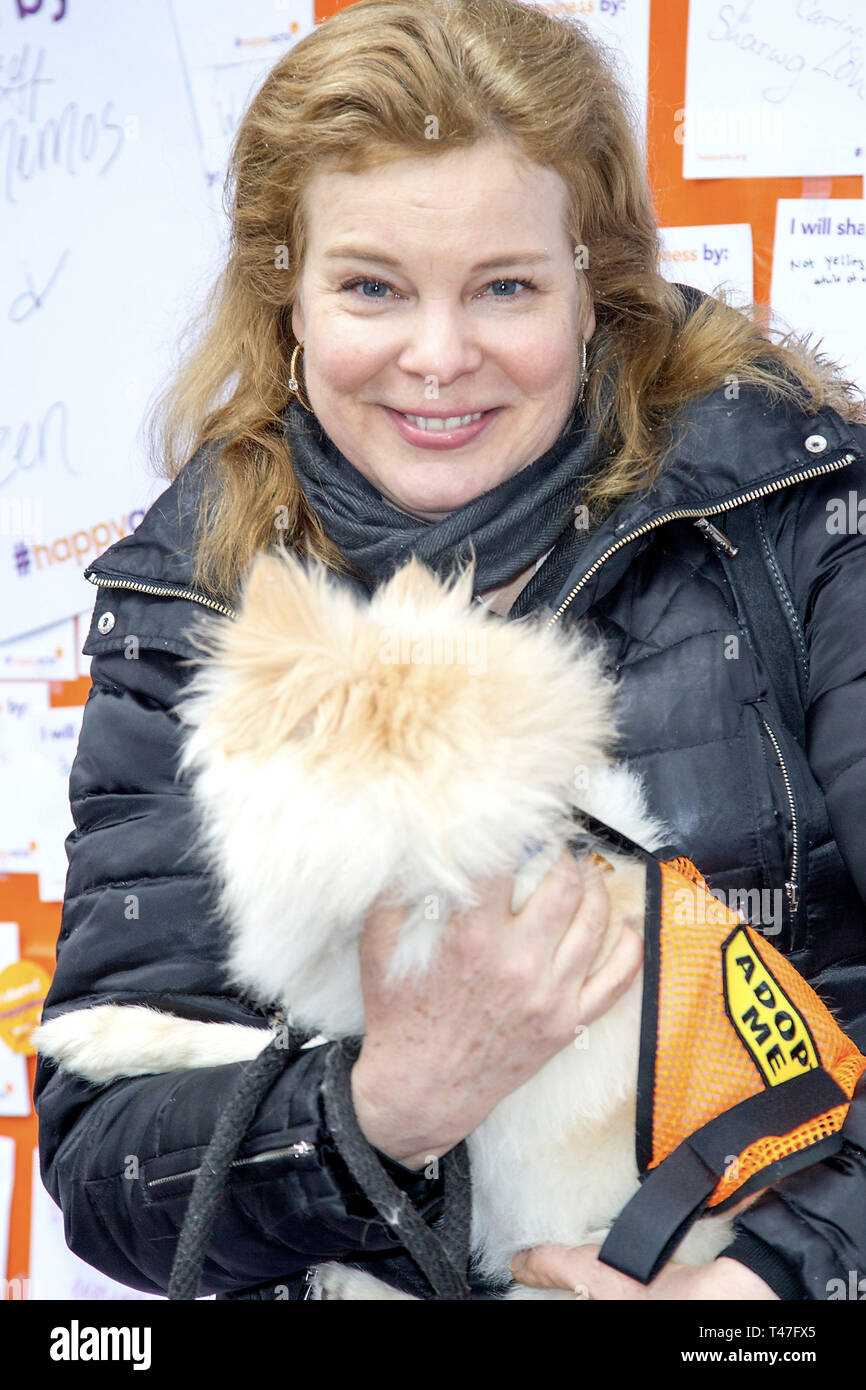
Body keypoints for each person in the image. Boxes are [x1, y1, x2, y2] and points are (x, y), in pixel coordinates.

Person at [35, 0, 866, 1301]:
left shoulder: (786, 504)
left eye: (504, 287)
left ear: (591, 282)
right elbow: (107, 1176)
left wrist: (775, 1284)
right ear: (287, 293)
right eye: (371, 285)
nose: (438, 356)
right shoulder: (194, 597)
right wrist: (382, 1106)